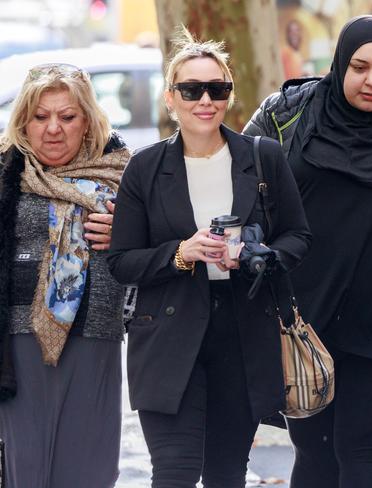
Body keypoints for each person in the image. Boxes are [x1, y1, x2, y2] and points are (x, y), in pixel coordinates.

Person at [107, 30, 311, 488]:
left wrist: (259, 256)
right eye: (191, 89)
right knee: (174, 474)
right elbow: (120, 261)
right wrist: (181, 253)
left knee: (225, 474)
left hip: (241, 334)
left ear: (229, 96)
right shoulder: (144, 168)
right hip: (166, 336)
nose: (205, 100)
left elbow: (298, 237)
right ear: (170, 98)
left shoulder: (263, 158)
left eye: (216, 90)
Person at [244, 15, 372, 488]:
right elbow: (241, 188)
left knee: (362, 449)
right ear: (339, 64)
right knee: (314, 450)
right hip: (303, 318)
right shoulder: (286, 114)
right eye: (360, 67)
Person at [0, 63, 130, 487]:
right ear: (24, 121)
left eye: (67, 116)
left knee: (88, 471)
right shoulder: (6, 173)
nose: (53, 128)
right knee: (27, 471)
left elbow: (160, 248)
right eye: (40, 117)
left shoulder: (124, 176)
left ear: (88, 121)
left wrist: (128, 230)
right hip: (18, 346)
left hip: (95, 340)